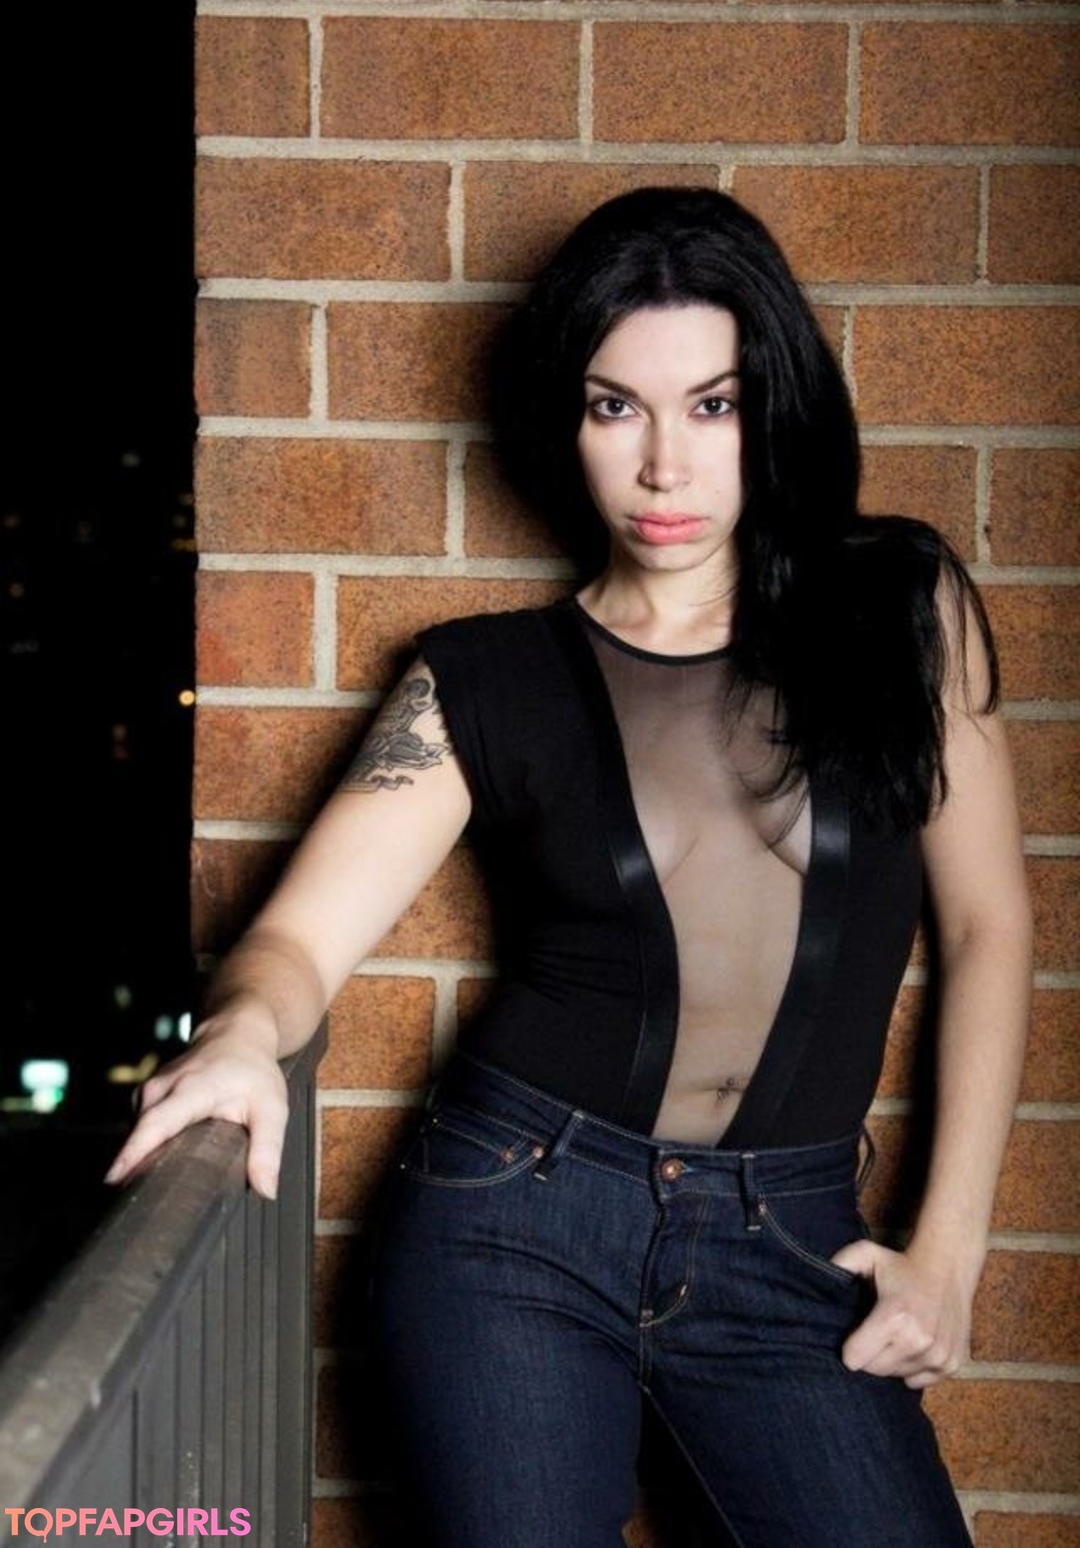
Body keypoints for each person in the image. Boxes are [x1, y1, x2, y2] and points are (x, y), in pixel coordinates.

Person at [105, 188, 1032, 1548]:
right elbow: (296, 940)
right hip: (511, 1229)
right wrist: (243, 1033)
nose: (664, 467)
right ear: (569, 418)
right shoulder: (483, 680)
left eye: (712, 406)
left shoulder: (906, 609)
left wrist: (948, 1251)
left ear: (774, 405)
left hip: (791, 1240)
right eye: (616, 408)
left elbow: (991, 924)